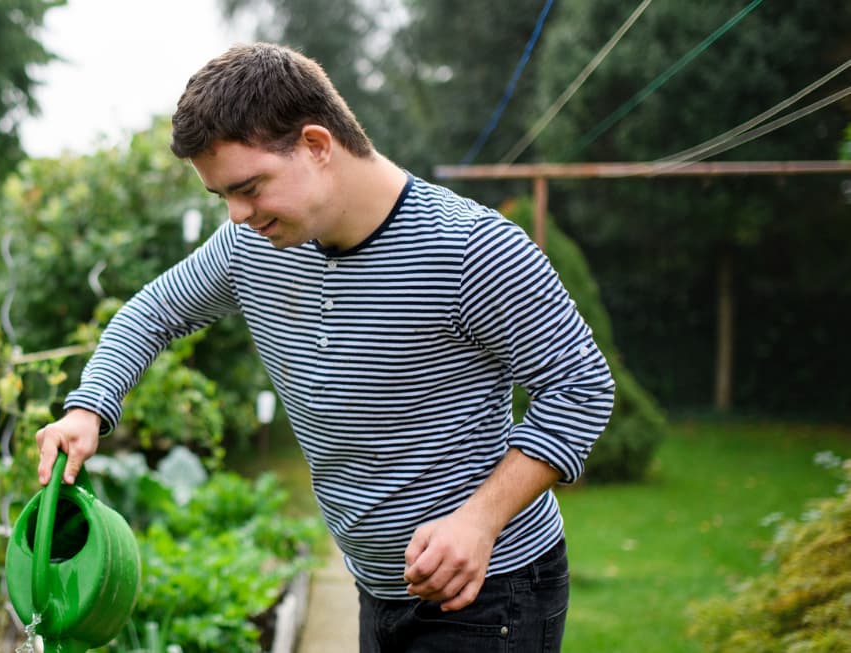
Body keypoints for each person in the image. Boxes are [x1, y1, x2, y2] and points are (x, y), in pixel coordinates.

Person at [33, 42, 614, 652]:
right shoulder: (252, 247)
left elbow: (580, 388)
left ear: (316, 145)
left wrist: (479, 522)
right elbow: (150, 313)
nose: (235, 215)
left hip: (489, 590)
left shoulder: (469, 249)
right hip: (378, 587)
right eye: (222, 196)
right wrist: (87, 407)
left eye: (249, 187)